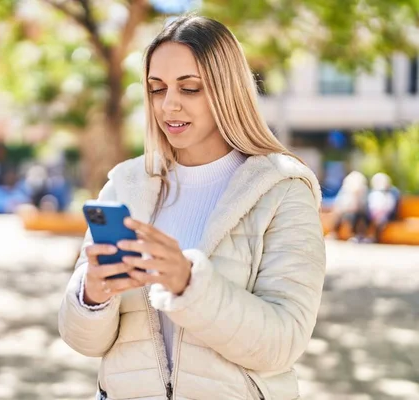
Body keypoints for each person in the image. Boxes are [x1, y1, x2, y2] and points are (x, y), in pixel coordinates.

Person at [58, 16, 326, 400]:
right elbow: (83, 341)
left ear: (227, 89)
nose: (169, 105)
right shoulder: (125, 186)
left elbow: (283, 342)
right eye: (157, 88)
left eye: (190, 88)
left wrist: (189, 284)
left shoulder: (282, 189)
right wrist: (93, 295)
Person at [331, 171, 370, 242]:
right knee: (338, 216)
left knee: (359, 217)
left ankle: (357, 235)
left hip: (358, 211)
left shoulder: (363, 190)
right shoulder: (345, 189)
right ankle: (334, 233)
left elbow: (364, 204)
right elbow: (340, 201)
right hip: (345, 210)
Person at [367, 172, 400, 243]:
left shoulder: (392, 193)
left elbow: (391, 207)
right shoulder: (373, 193)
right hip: (374, 214)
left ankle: (375, 237)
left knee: (380, 220)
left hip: (387, 215)